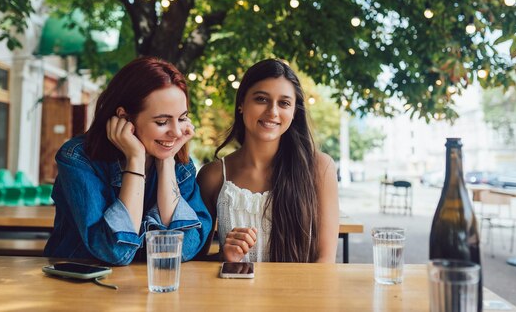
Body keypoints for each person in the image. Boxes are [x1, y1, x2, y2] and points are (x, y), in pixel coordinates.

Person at [44, 57, 212, 265]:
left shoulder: (179, 164)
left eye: (182, 118)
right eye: (162, 122)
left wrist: (167, 161)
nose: (177, 132)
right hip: (80, 286)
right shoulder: (77, 158)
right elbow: (116, 251)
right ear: (124, 117)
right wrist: (135, 159)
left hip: (146, 288)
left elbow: (184, 249)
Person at [197, 59, 339, 263]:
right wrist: (224, 256)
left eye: (284, 103)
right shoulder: (213, 176)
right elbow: (194, 264)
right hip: (235, 294)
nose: (272, 111)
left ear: (293, 112)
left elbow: (325, 261)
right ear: (241, 105)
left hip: (299, 294)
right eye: (261, 99)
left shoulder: (319, 167)